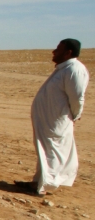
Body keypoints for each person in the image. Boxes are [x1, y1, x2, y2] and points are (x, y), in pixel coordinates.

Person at [16, 39, 89, 197]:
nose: (54, 51)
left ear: (68, 52)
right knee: (46, 150)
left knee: (53, 151)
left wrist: (75, 115)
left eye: (58, 48)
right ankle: (38, 181)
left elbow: (77, 97)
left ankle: (45, 185)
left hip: (57, 120)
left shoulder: (74, 70)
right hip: (48, 119)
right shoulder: (64, 69)